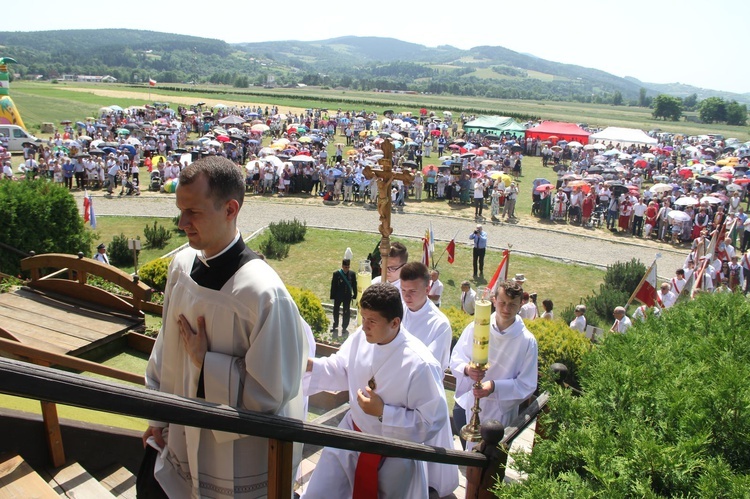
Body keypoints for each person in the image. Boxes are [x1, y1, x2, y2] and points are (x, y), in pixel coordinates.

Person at [141, 157, 308, 498]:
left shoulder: (263, 295)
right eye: (180, 210)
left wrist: (208, 364)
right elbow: (165, 348)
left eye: (194, 212)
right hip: (177, 436)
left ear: (230, 209)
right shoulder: (181, 266)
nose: (182, 222)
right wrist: (156, 418)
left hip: (232, 461)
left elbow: (270, 395)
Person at [302, 284, 453, 499]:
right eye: (363, 318)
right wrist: (310, 365)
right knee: (319, 493)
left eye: (372, 321)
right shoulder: (360, 338)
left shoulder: (420, 364)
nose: (364, 327)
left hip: (393, 455)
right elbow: (342, 369)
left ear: (395, 322)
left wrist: (384, 412)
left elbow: (431, 421)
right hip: (352, 437)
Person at [450, 280, 538, 450]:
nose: (506, 309)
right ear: (494, 300)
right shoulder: (476, 327)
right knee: (468, 459)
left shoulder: (527, 341)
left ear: (521, 304)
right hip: (469, 403)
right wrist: (467, 370)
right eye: (503, 302)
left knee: (491, 468)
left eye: (512, 304)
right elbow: (456, 358)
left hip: (500, 412)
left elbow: (527, 384)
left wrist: (494, 386)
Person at [330, 258, 357, 333]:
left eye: (348, 267)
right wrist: (332, 296)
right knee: (336, 311)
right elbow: (333, 285)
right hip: (338, 295)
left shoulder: (352, 274)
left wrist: (355, 294)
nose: (347, 269)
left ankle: (344, 327)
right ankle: (335, 325)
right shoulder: (336, 274)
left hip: (347, 296)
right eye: (345, 267)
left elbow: (354, 285)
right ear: (342, 266)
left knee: (346, 311)